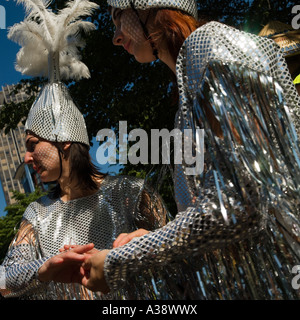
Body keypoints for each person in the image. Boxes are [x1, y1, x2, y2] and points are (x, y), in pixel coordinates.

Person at [45, 0, 300, 299]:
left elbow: (239, 205)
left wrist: (122, 261)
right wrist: (157, 238)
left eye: (118, 18)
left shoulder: (208, 45)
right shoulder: (185, 98)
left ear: (148, 8)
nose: (115, 37)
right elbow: (213, 213)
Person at [0, 0, 167, 300]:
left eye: (32, 145)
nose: (26, 158)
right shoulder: (35, 215)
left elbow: (182, 260)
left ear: (63, 140)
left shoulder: (132, 192)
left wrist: (145, 249)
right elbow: (5, 277)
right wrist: (45, 267)